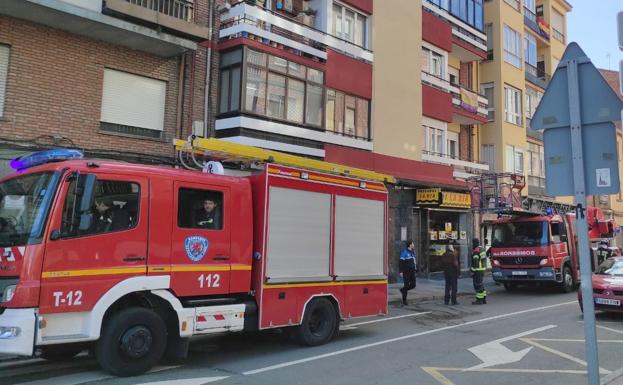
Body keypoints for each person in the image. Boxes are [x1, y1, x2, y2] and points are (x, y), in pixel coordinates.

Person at [399, 240, 417, 306]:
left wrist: (415, 268)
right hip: (406, 272)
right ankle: (404, 300)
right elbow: (400, 262)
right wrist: (400, 271)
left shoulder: (412, 252)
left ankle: (403, 290)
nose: (413, 245)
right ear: (410, 245)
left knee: (413, 285)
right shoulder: (404, 252)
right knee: (406, 285)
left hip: (412, 271)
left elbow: (414, 261)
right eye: (413, 243)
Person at [471, 238, 487, 305]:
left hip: (477, 270)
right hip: (482, 269)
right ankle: (483, 299)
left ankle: (479, 300)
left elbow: (476, 262)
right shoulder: (482, 249)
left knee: (477, 285)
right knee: (481, 284)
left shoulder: (476, 251)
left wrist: (472, 270)